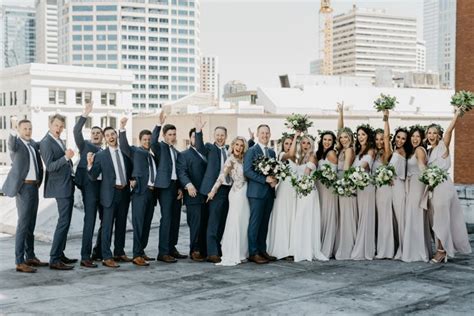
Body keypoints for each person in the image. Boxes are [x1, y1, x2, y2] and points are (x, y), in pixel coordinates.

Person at [425, 110, 472, 263]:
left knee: (441, 219)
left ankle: (441, 251)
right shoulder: (429, 151)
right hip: (433, 189)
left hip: (444, 187)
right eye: (429, 133)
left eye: (434, 133)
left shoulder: (442, 146)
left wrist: (457, 114)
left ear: (439, 135)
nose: (431, 135)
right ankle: (442, 248)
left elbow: (450, 129)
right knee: (436, 219)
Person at [2, 117, 47, 273]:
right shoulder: (16, 145)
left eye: (30, 128)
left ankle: (30, 256)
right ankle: (19, 261)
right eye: (25, 129)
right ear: (19, 130)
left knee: (31, 224)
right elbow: (11, 143)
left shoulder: (33, 145)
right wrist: (14, 128)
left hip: (34, 187)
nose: (28, 131)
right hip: (24, 188)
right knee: (23, 225)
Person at [119, 115, 161, 266]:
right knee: (138, 223)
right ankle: (136, 254)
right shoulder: (135, 151)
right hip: (140, 193)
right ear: (140, 140)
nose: (148, 142)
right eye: (145, 140)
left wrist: (158, 125)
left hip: (151, 193)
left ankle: (141, 250)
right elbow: (123, 146)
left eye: (149, 140)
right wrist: (122, 128)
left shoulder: (152, 155)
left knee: (147, 224)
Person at [87, 127, 133, 268]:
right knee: (107, 226)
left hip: (124, 192)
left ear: (116, 135)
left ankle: (119, 252)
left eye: (112, 134)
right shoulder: (101, 156)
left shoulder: (125, 153)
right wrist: (90, 164)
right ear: (105, 139)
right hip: (109, 195)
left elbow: (130, 170)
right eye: (107, 135)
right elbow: (93, 176)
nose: (111, 137)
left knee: (121, 225)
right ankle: (106, 256)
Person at [40, 114, 77, 270]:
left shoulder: (58, 140)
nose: (59, 129)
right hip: (60, 187)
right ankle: (54, 259)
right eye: (56, 125)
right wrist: (66, 157)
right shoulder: (46, 142)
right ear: (50, 124)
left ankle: (60, 254)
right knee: (63, 222)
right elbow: (50, 166)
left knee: (66, 222)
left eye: (61, 126)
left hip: (67, 185)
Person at [207, 137, 250, 266]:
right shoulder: (230, 160)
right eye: (237, 144)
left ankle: (242, 252)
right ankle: (232, 251)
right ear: (232, 145)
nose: (239, 147)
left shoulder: (244, 159)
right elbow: (221, 177)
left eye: (241, 145)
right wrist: (213, 191)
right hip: (236, 193)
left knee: (244, 222)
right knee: (235, 221)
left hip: (246, 194)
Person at [194, 118, 231, 263]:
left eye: (222, 135)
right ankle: (212, 252)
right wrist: (198, 131)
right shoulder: (210, 148)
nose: (220, 138)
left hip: (229, 189)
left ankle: (219, 248)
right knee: (213, 221)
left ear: (226, 136)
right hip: (214, 190)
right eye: (218, 135)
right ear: (214, 136)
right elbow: (199, 147)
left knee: (223, 221)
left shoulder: (229, 150)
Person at [73, 102, 104, 268]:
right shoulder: (85, 145)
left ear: (103, 136)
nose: (96, 135)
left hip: (104, 189)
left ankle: (98, 251)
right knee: (90, 221)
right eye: (94, 132)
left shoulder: (106, 151)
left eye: (99, 133)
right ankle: (85, 256)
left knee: (106, 221)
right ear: (90, 135)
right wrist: (85, 114)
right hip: (90, 188)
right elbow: (76, 131)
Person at [151, 120, 186, 263]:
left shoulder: (177, 152)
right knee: (166, 218)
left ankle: (172, 248)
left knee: (175, 219)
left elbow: (178, 172)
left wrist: (180, 188)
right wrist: (159, 124)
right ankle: (163, 252)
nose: (172, 136)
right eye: (170, 134)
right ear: (164, 136)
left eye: (174, 134)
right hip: (164, 188)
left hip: (175, 187)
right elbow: (153, 141)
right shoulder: (160, 147)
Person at [243, 124, 278, 264]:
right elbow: (247, 171)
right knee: (255, 223)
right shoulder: (251, 151)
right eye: (262, 133)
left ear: (270, 135)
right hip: (256, 193)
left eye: (267, 133)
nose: (265, 135)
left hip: (270, 193)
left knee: (264, 224)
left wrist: (275, 179)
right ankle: (253, 252)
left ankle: (262, 250)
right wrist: (265, 179)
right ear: (257, 134)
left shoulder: (272, 152)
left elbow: (275, 170)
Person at [290, 134, 328, 262]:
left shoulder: (312, 156)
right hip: (301, 191)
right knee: (300, 219)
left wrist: (301, 185)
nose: (305, 145)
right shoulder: (300, 158)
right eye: (303, 143)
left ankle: (307, 250)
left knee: (305, 218)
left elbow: (306, 174)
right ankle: (300, 249)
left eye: (308, 143)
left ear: (312, 145)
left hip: (308, 191)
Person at [177, 128, 208, 262]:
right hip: (193, 195)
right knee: (195, 224)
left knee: (205, 223)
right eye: (194, 137)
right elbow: (182, 172)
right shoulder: (184, 155)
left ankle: (205, 249)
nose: (196, 139)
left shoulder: (207, 153)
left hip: (208, 195)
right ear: (190, 139)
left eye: (198, 137)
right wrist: (188, 185)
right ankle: (194, 250)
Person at [402, 126, 432, 262]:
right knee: (412, 216)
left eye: (417, 137)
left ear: (422, 138)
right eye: (413, 136)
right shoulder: (412, 151)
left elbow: (422, 167)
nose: (414, 139)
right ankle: (414, 250)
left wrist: (429, 181)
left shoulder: (419, 150)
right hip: (411, 184)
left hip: (417, 184)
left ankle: (417, 252)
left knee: (415, 216)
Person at [267, 133, 298, 260]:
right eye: (287, 143)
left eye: (291, 144)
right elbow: (290, 154)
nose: (289, 146)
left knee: (293, 219)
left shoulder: (297, 158)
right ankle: (282, 249)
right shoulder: (282, 156)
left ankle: (292, 248)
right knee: (283, 219)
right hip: (284, 190)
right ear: (282, 145)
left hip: (294, 191)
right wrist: (296, 136)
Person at [335, 102, 357, 260]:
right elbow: (339, 130)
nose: (343, 139)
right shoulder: (342, 148)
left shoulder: (349, 150)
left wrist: (345, 185)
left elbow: (347, 168)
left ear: (350, 138)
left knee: (347, 215)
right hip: (340, 182)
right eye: (341, 137)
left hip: (345, 183)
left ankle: (348, 247)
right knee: (343, 215)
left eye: (345, 137)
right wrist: (341, 113)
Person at [350, 124, 376, 261]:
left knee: (366, 216)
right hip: (359, 187)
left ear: (368, 136)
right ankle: (360, 246)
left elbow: (363, 167)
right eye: (358, 134)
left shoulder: (371, 151)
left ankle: (366, 249)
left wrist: (349, 177)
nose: (360, 137)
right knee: (361, 217)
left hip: (367, 186)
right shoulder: (358, 151)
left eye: (363, 134)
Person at [373, 110, 395, 259]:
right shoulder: (373, 153)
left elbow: (387, 137)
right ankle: (379, 247)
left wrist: (386, 118)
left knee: (385, 219)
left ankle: (385, 250)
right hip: (375, 190)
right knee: (378, 220)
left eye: (382, 139)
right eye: (377, 139)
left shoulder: (387, 153)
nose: (380, 141)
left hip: (385, 189)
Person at [315, 130, 339, 259]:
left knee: (327, 215)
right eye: (325, 139)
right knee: (322, 215)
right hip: (320, 187)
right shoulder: (320, 154)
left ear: (333, 142)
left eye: (330, 140)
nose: (327, 142)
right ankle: (320, 244)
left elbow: (334, 173)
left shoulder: (331, 153)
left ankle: (327, 247)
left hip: (328, 188)